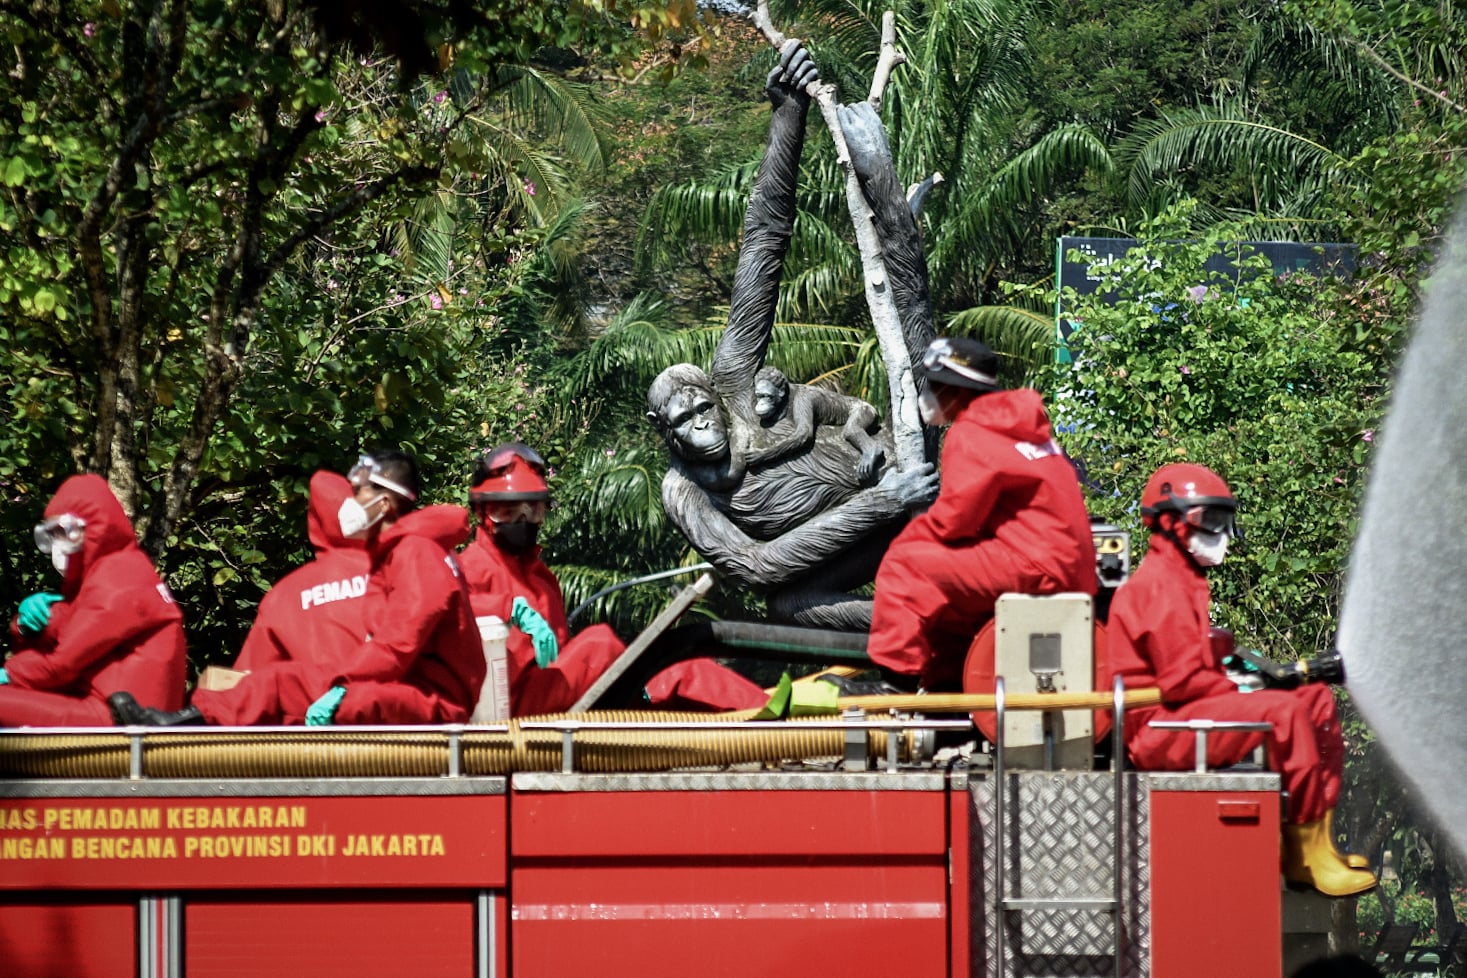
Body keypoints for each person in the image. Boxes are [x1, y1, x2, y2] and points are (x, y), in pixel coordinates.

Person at [647, 42, 939, 632]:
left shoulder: (731, 381)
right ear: (664, 433)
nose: (701, 426)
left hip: (902, 463)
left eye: (701, 410)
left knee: (926, 371)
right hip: (876, 513)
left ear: (714, 399)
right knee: (786, 606)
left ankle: (885, 196)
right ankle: (931, 629)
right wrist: (881, 504)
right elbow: (755, 568)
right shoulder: (684, 493)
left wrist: (787, 115)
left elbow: (763, 244)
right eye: (683, 423)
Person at [1108, 462, 1375, 897]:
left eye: (1224, 519)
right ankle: (1308, 857)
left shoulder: (1183, 580)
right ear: (1170, 522)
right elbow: (1183, 683)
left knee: (1315, 698)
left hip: (1182, 713)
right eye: (1210, 519)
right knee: (1285, 711)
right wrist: (1254, 689)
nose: (1222, 533)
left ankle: (1311, 848)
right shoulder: (1157, 587)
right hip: (1158, 730)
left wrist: (1256, 683)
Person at [109, 450, 484, 726]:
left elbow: (402, 639)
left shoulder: (416, 551)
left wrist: (343, 684)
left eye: (359, 493)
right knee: (283, 681)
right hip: (411, 688)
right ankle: (192, 722)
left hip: (438, 702)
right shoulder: (401, 554)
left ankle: (193, 726)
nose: (350, 503)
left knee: (346, 699)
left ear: (384, 503)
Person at [457, 442, 767, 715]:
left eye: (532, 510)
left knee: (680, 671)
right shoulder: (470, 569)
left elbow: (564, 660)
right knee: (599, 643)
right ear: (483, 513)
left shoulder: (542, 580)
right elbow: (464, 636)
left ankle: (769, 713)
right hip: (511, 707)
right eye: (507, 511)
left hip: (554, 695)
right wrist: (508, 615)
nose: (522, 521)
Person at [866, 336, 1098, 690]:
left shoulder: (973, 431)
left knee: (905, 565)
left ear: (957, 390)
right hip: (1068, 566)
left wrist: (908, 538)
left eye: (933, 385)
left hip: (1035, 565)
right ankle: (947, 691)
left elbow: (954, 522)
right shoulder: (1022, 428)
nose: (926, 394)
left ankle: (894, 684)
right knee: (945, 595)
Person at [0, 474, 187, 726]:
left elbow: (60, 665)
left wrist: (9, 674)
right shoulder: (108, 574)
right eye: (52, 534)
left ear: (93, 527)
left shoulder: (119, 581)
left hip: (122, 716)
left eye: (63, 532)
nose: (58, 544)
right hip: (110, 706)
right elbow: (61, 630)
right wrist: (23, 627)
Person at [231, 470, 369, 672]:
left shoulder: (284, 596)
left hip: (311, 702)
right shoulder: (404, 570)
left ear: (315, 521)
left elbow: (248, 680)